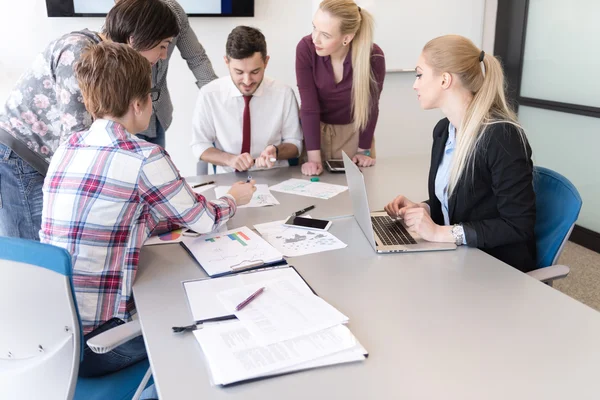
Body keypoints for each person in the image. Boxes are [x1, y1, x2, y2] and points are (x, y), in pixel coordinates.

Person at [39, 41, 256, 377]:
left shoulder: (68, 146)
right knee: (204, 326)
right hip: (98, 346)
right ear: (139, 104)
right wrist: (234, 198)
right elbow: (206, 221)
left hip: (52, 336)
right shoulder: (144, 158)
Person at [0, 0, 179, 240]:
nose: (163, 54)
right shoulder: (80, 51)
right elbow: (79, 142)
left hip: (46, 156)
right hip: (24, 156)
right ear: (135, 39)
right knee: (39, 256)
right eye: (162, 45)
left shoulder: (110, 60)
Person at [384, 35, 537, 272]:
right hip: (457, 257)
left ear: (445, 79)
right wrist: (423, 210)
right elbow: (460, 205)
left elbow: (517, 225)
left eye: (419, 74)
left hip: (495, 266)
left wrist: (439, 232)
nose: (415, 84)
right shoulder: (444, 131)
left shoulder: (502, 137)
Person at [191, 26, 303, 174]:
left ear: (266, 62)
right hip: (228, 178)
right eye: (239, 72)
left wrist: (276, 151)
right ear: (227, 62)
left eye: (255, 72)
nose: (247, 81)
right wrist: (230, 159)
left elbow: (295, 143)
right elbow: (199, 145)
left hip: (274, 175)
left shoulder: (284, 94)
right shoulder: (209, 95)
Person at [296, 0, 385, 176]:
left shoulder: (373, 57)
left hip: (354, 135)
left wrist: (364, 150)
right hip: (315, 132)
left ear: (347, 38)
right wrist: (313, 159)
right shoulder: (306, 48)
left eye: (326, 35)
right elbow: (309, 106)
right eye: (314, 27)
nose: (315, 38)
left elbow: (370, 107)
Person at [135, 0, 219, 148]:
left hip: (157, 115)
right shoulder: (120, 22)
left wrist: (217, 102)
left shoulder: (174, 12)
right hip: (125, 118)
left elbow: (197, 58)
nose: (163, 55)